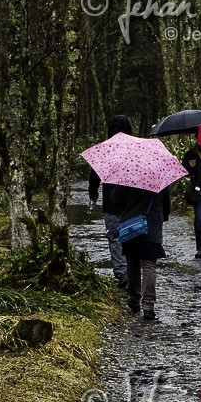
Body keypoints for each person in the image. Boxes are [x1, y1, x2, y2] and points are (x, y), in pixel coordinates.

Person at [102, 180, 170, 319]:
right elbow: (166, 201)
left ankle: (134, 301)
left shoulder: (127, 174)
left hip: (131, 224)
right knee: (149, 264)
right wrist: (164, 215)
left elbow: (116, 199)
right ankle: (148, 305)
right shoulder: (158, 174)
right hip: (152, 224)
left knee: (132, 263)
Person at [87, 115, 133, 287]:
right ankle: (131, 273)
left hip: (111, 204)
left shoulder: (103, 150)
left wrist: (93, 196)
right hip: (132, 203)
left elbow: (94, 176)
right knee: (132, 238)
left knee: (115, 239)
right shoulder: (135, 149)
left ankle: (122, 274)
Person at [181, 142, 201, 259]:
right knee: (199, 221)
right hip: (199, 191)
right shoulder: (191, 154)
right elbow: (184, 172)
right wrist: (190, 167)